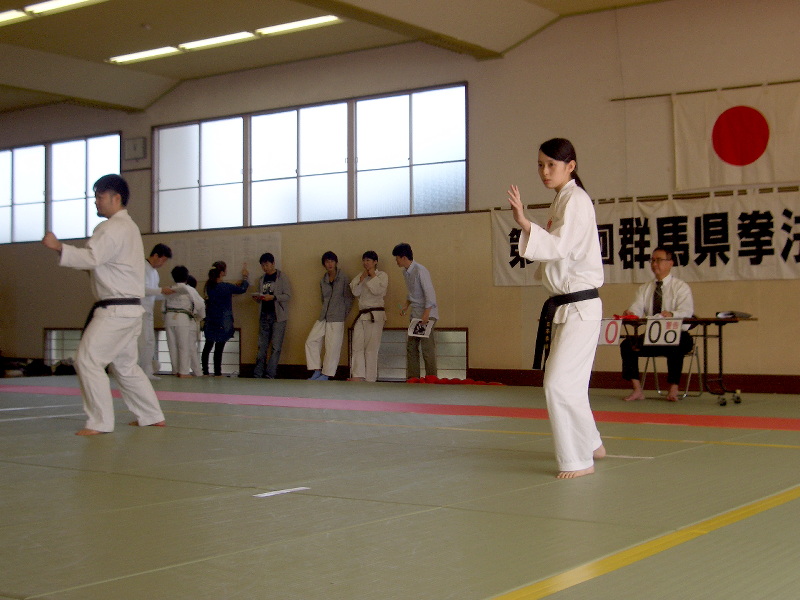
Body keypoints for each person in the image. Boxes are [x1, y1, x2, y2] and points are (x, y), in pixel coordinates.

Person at [507, 138, 606, 479]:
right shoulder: (563, 201)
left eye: (551, 165)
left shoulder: (575, 200)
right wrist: (528, 225)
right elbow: (554, 252)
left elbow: (559, 247)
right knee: (571, 385)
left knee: (557, 385)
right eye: (540, 165)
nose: (544, 171)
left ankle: (578, 459)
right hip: (569, 307)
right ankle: (592, 442)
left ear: (571, 166)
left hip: (579, 306)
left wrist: (523, 222)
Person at [41, 174, 165, 435]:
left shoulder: (113, 228)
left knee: (87, 359)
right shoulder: (127, 227)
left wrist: (58, 248)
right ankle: (151, 415)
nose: (96, 202)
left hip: (116, 310)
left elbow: (92, 257)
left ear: (115, 198)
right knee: (125, 366)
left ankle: (100, 421)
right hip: (129, 309)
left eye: (99, 197)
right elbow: (100, 264)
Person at [620, 247, 695, 402]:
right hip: (653, 335)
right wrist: (631, 312)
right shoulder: (645, 288)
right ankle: (637, 389)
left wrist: (672, 314)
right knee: (627, 345)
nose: (655, 264)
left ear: (670, 263)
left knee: (676, 344)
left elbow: (687, 311)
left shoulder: (680, 287)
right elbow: (637, 307)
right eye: (652, 260)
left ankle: (673, 388)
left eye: (659, 260)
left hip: (677, 334)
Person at [392, 242, 438, 379]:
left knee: (427, 349)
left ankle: (431, 379)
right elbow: (412, 293)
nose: (396, 261)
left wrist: (426, 314)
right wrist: (406, 305)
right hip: (416, 315)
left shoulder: (420, 270)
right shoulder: (406, 272)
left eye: (397, 258)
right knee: (411, 347)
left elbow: (430, 294)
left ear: (404, 257)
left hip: (426, 315)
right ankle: (413, 378)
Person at [305, 251, 353, 380]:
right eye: (327, 262)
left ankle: (326, 374)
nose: (330, 264)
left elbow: (348, 298)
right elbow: (323, 298)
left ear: (336, 262)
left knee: (332, 347)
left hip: (337, 317)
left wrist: (342, 313)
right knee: (311, 341)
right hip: (324, 316)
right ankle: (316, 369)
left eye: (332, 261)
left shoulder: (343, 277)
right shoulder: (323, 280)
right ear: (324, 264)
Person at [202, 261, 249, 377]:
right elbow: (242, 289)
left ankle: (205, 371)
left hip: (210, 318)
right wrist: (245, 277)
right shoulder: (225, 287)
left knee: (208, 345)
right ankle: (217, 372)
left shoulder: (209, 286)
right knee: (219, 347)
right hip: (223, 320)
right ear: (222, 272)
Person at [349, 250, 388, 382]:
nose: (366, 263)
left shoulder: (382, 275)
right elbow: (355, 292)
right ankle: (358, 375)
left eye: (368, 260)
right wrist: (361, 279)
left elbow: (378, 291)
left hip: (375, 315)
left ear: (375, 262)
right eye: (364, 260)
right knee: (357, 345)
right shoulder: (360, 275)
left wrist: (372, 277)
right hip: (362, 315)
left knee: (371, 348)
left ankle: (370, 378)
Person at [252, 252, 292, 379]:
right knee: (261, 346)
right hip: (264, 315)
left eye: (267, 264)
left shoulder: (282, 277)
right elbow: (260, 297)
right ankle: (257, 374)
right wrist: (257, 298)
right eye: (263, 265)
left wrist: (274, 297)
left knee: (276, 347)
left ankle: (270, 374)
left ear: (273, 263)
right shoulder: (261, 279)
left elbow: (287, 296)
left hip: (278, 317)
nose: (265, 267)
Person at [139, 243, 174, 380]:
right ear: (155, 255)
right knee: (142, 342)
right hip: (139, 309)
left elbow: (153, 294)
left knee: (149, 341)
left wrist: (167, 294)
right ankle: (139, 372)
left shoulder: (154, 273)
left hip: (148, 310)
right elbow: (141, 289)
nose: (163, 263)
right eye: (163, 259)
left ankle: (147, 371)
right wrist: (161, 290)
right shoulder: (142, 267)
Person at [163, 265, 206, 377]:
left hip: (168, 317)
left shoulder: (169, 288)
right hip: (182, 317)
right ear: (186, 277)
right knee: (184, 345)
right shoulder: (189, 289)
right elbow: (200, 304)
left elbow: (163, 308)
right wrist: (200, 317)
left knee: (172, 345)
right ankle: (183, 372)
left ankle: (175, 370)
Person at [186, 274, 203, 378]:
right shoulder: (193, 292)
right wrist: (199, 318)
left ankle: (181, 370)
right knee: (191, 348)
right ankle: (196, 371)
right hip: (191, 321)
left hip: (188, 321)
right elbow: (201, 308)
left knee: (185, 347)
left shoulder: (177, 290)